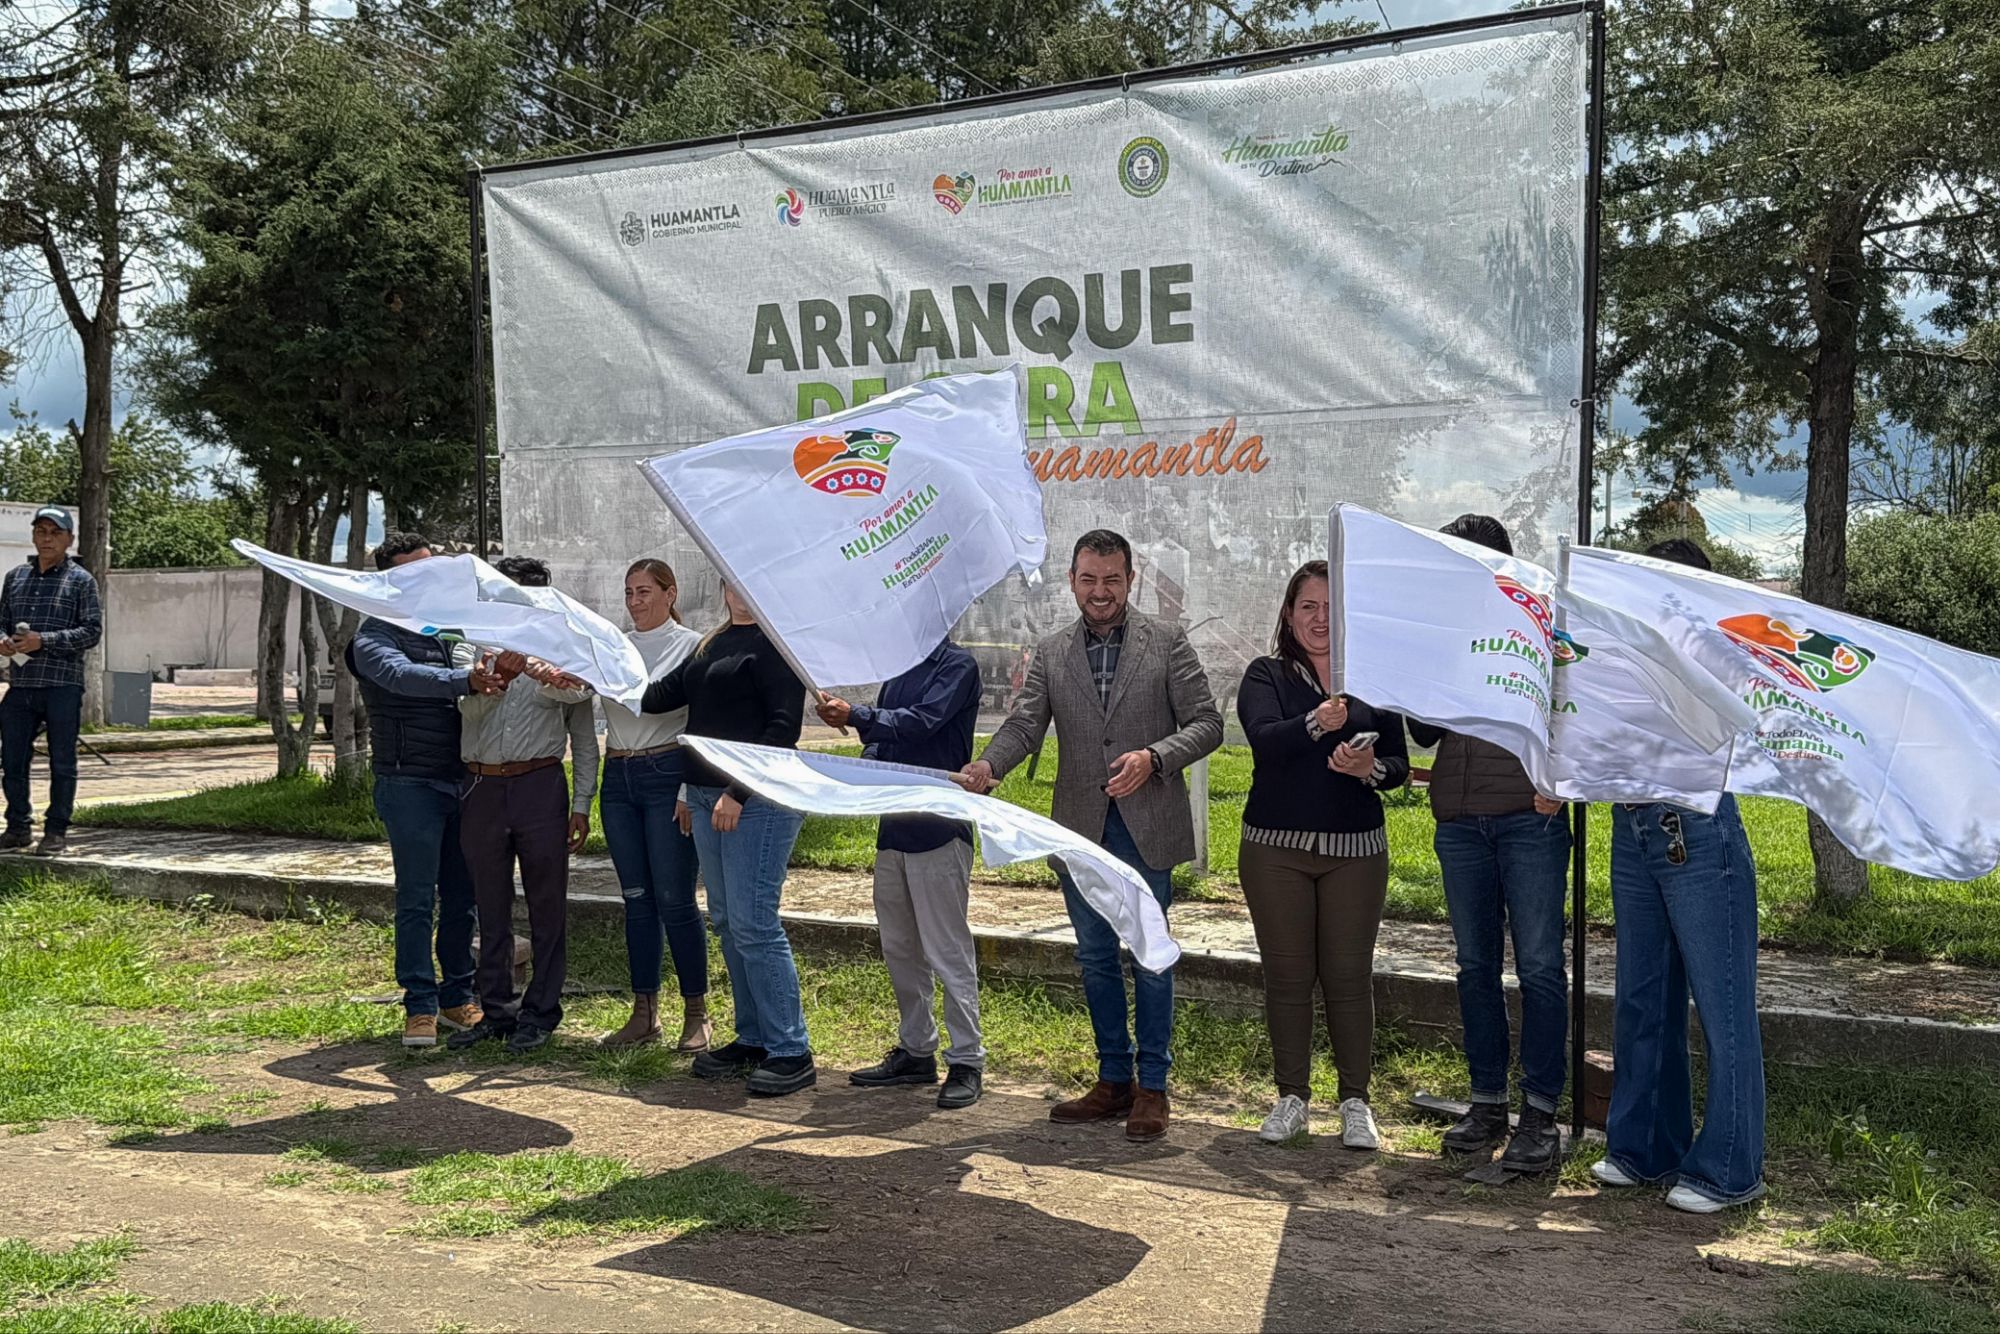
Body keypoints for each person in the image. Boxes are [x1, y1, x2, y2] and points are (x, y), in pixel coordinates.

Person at [960, 529, 1222, 1142]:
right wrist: (989, 765)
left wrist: (1155, 757)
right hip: (1081, 829)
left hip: (1147, 828)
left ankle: (1153, 1087)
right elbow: (1025, 724)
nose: (1099, 591)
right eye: (1088, 579)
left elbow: (1207, 723)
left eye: (1111, 579)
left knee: (1151, 955)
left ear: (1131, 579)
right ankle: (1113, 1080)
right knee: (1096, 957)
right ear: (1072, 581)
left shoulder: (1167, 641)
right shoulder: (1053, 651)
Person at [1592, 537, 1766, 1213]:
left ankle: (1728, 1168)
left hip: (1698, 827)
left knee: (1723, 1006)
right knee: (1642, 996)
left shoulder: (1721, 657)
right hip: (1634, 825)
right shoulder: (1626, 651)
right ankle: (1643, 1147)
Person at [1406, 513, 1571, 1173]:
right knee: (1475, 967)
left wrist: (1563, 783)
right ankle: (1487, 1102)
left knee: (1539, 968)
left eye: (1468, 562)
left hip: (1530, 818)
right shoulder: (1443, 631)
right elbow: (1423, 733)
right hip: (1459, 820)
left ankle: (1541, 1114)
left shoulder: (1542, 624)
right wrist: (1422, 660)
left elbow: (1576, 709)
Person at [1237, 560, 1408, 1150]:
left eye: (1331, 608)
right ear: (1289, 614)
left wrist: (1370, 768)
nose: (1319, 619)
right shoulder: (1265, 674)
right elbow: (1264, 741)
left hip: (1356, 852)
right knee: (1287, 977)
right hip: (1275, 851)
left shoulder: (1375, 680)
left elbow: (1399, 764)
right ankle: (1292, 1098)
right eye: (1308, 606)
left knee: (1349, 977)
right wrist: (1315, 722)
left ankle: (1356, 1102)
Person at [642, 582, 812, 1096]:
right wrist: (592, 665)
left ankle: (792, 1049)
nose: (739, 593)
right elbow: (656, 698)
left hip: (754, 801)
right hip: (702, 796)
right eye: (730, 583)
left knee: (754, 923)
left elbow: (782, 730)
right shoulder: (710, 644)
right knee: (727, 922)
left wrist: (737, 792)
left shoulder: (778, 647)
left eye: (748, 583)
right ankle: (754, 1037)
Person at [347, 532, 503, 1049]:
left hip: (464, 777)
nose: (430, 580)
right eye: (416, 571)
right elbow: (401, 675)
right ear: (391, 580)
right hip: (408, 781)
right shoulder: (373, 635)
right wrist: (464, 682)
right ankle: (419, 1005)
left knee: (463, 896)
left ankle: (458, 996)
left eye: (433, 569)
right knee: (416, 898)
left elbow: (480, 666)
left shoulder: (451, 629)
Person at [816, 638, 986, 1111]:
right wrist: (863, 768)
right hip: (894, 831)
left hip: (940, 830)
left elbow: (920, 722)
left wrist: (856, 715)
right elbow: (884, 739)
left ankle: (967, 1059)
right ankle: (916, 1050)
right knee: (900, 949)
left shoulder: (957, 666)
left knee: (947, 951)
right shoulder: (898, 670)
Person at [446, 556, 597, 1055]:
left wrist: (582, 802)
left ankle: (541, 1012)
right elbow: (464, 706)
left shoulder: (562, 646)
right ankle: (496, 1009)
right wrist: (500, 679)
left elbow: (582, 724)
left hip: (540, 785)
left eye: (530, 600)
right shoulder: (470, 642)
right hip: (483, 785)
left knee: (547, 904)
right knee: (489, 903)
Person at [597, 559, 711, 1053]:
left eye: (644, 591)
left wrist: (688, 790)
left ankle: (697, 1012)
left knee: (675, 898)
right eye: (628, 592)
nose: (634, 601)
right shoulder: (613, 645)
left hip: (668, 773)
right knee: (636, 898)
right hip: (618, 776)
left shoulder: (693, 646)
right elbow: (574, 690)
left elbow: (704, 723)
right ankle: (644, 1013)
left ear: (670, 593)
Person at [0, 507, 102, 857]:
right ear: (33, 536)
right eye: (41, 531)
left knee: (62, 761)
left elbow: (91, 632)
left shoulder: (81, 581)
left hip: (62, 685)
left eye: (55, 533)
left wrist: (44, 641)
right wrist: (4, 641)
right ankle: (18, 827)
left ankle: (56, 830)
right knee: (12, 759)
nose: (47, 539)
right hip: (22, 684)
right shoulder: (15, 578)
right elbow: (2, 621)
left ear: (69, 539)